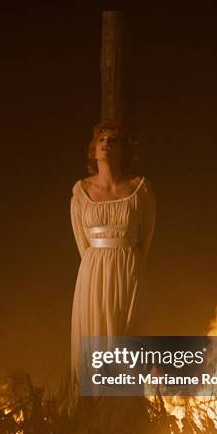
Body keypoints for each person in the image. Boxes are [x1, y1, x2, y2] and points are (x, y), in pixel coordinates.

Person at [70, 119, 156, 403]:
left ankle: (124, 416)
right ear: (93, 149)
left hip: (129, 270)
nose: (106, 143)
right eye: (101, 139)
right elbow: (83, 243)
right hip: (93, 274)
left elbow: (145, 239)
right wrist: (100, 266)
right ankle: (93, 415)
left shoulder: (140, 189)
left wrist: (126, 264)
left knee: (125, 339)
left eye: (113, 140)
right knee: (95, 342)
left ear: (123, 150)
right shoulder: (81, 193)